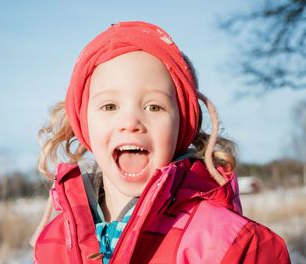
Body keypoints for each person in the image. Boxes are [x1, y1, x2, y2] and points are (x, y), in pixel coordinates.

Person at [31, 21, 290, 264]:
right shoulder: (51, 246)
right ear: (83, 123)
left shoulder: (234, 245)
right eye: (109, 106)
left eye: (154, 106)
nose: (131, 121)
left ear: (182, 125)